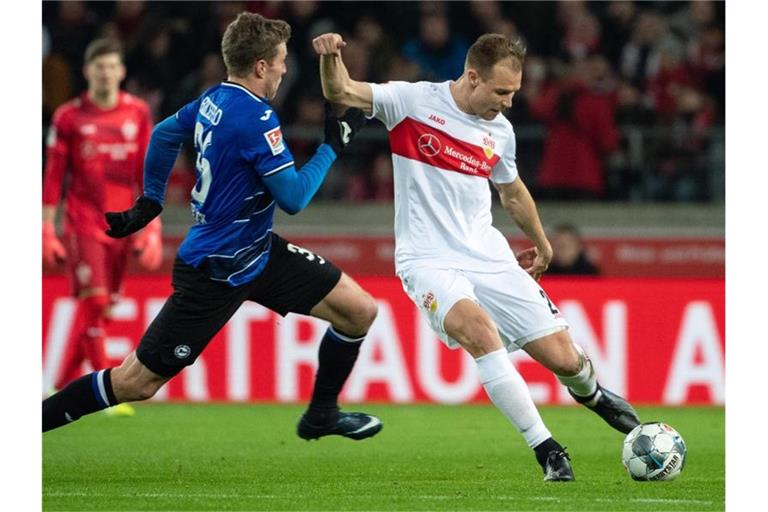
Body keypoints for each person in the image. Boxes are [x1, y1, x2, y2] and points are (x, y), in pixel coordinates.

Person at [312, 31, 640, 481]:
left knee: (565, 360)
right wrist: (331, 56)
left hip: (489, 255)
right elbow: (341, 90)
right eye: (501, 92)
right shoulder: (410, 102)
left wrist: (542, 243)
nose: (508, 102)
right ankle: (547, 450)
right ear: (471, 77)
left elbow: (512, 192)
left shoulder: (500, 132)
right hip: (428, 260)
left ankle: (595, 396)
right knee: (479, 332)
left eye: (514, 93)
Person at [43, 12, 383, 445]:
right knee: (135, 383)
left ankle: (321, 414)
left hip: (256, 251)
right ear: (260, 66)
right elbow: (294, 198)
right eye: (279, 61)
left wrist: (151, 199)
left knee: (359, 311)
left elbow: (165, 133)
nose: (283, 69)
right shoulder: (256, 119)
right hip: (215, 268)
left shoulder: (213, 99)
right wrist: (333, 146)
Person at [43, 38, 162, 418]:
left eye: (111, 66)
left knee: (104, 310)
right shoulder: (68, 116)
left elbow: (150, 174)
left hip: (122, 224)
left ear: (121, 71)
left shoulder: (138, 113)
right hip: (82, 222)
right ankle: (108, 391)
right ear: (87, 72)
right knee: (94, 302)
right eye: (99, 67)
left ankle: (57, 386)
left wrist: (151, 228)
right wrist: (46, 227)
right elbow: (53, 177)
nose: (105, 72)